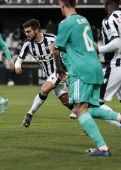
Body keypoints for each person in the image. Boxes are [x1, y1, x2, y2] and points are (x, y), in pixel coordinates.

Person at [52, 0, 121, 157]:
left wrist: (58, 67)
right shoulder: (84, 20)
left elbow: (56, 51)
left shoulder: (65, 23)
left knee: (79, 110)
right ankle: (119, 117)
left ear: (62, 4)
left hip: (80, 71)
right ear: (76, 2)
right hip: (96, 68)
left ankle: (103, 148)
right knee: (89, 109)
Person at [70, 0, 121, 136]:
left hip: (115, 65)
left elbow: (117, 42)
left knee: (94, 103)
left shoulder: (109, 19)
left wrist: (98, 49)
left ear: (106, 3)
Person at [15, 19, 74, 128]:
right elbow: (19, 60)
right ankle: (85, 118)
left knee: (44, 89)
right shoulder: (28, 45)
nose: (26, 34)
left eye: (29, 32)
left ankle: (29, 115)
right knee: (66, 101)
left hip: (61, 71)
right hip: (50, 76)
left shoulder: (52, 39)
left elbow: (69, 48)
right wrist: (17, 66)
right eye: (25, 32)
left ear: (36, 30)